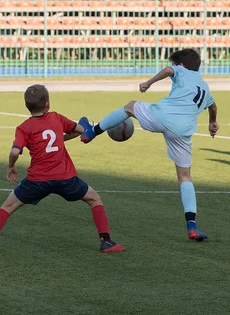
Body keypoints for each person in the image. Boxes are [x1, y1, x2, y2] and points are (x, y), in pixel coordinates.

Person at [0, 84, 124, 254]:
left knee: (8, 206)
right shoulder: (56, 118)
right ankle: (106, 242)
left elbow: (14, 151)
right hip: (65, 178)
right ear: (47, 103)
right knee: (94, 199)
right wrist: (63, 137)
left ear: (27, 106)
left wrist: (11, 165)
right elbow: (80, 130)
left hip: (37, 180)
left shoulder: (24, 127)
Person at [80, 48, 219, 241]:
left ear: (181, 65)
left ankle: (91, 133)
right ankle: (192, 226)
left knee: (129, 107)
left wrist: (148, 83)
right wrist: (213, 122)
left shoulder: (180, 70)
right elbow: (212, 106)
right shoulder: (204, 86)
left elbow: (169, 70)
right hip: (183, 132)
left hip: (161, 117)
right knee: (185, 177)